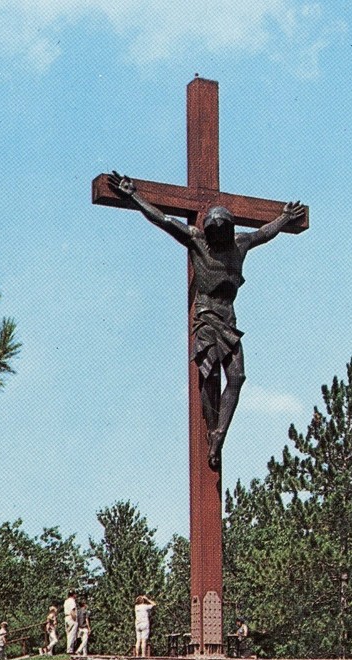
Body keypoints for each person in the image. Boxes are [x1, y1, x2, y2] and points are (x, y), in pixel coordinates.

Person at [108, 171, 305, 468]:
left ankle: (218, 434)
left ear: (229, 229)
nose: (217, 234)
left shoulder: (240, 244)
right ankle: (212, 431)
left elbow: (265, 232)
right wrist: (134, 196)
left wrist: (284, 218)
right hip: (205, 315)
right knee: (210, 375)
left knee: (237, 378)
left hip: (228, 318)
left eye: (222, 229)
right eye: (213, 229)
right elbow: (164, 220)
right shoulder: (197, 241)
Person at [64, 590, 78, 654]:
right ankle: (70, 650)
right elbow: (72, 611)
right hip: (71, 617)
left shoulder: (66, 601)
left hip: (66, 617)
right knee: (72, 634)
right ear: (73, 594)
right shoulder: (72, 601)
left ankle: (69, 649)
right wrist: (75, 619)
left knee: (68, 634)